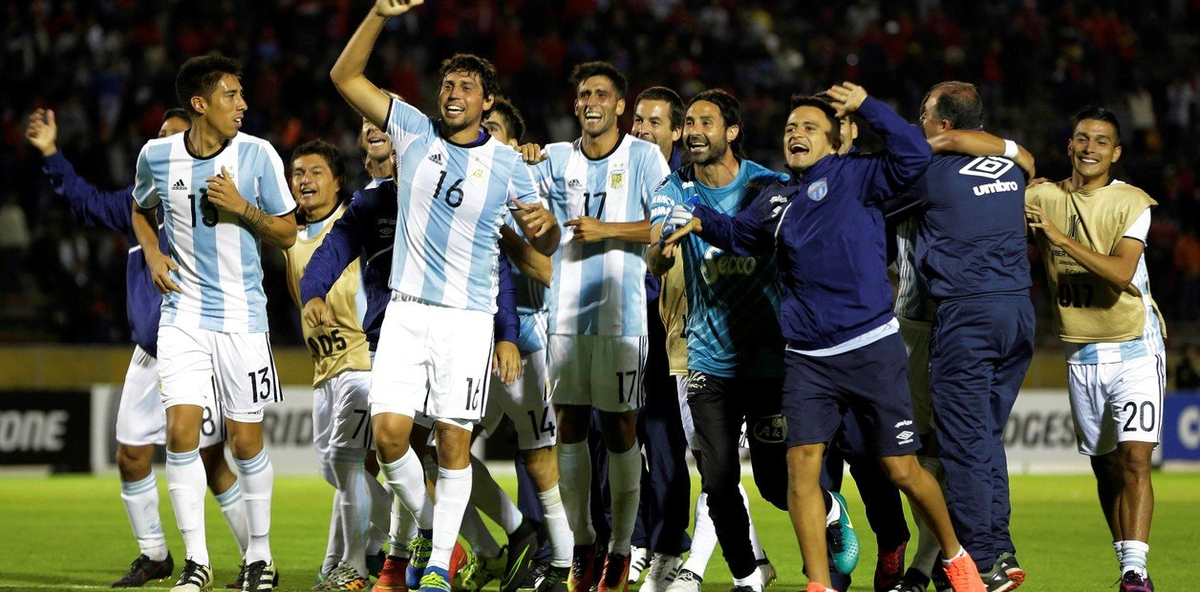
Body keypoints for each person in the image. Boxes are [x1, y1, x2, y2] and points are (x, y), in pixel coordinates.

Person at [661, 83, 985, 592]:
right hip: (808, 360)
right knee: (800, 470)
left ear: (836, 141)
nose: (796, 134)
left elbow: (916, 152)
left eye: (810, 127)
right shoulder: (777, 198)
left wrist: (868, 105)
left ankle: (956, 556)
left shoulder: (862, 177)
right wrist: (700, 223)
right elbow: (740, 235)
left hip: (870, 348)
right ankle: (819, 584)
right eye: (791, 128)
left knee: (900, 469)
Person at [329, 3, 559, 591]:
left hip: (465, 319)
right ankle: (451, 544)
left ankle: (435, 568)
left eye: (467, 86)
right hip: (405, 311)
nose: (454, 91)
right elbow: (345, 77)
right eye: (448, 83)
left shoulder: (507, 165)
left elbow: (546, 244)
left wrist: (544, 228)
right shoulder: (411, 131)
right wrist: (379, 14)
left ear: (487, 102)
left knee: (454, 441)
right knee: (389, 438)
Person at [26, 106, 251, 589]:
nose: (166, 147)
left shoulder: (211, 198)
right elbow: (84, 201)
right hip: (150, 354)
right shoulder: (138, 205)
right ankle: (154, 554)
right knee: (130, 455)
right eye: (160, 139)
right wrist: (50, 152)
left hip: (197, 348)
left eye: (177, 137)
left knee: (212, 463)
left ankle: (255, 561)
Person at [131, 54, 297, 592]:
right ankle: (197, 563)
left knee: (246, 443)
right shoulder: (157, 156)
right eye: (231, 95)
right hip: (182, 315)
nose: (243, 105)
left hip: (243, 318)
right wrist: (153, 253)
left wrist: (241, 208)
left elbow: (288, 233)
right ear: (200, 104)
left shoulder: (258, 154)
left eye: (242, 95)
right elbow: (138, 207)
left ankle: (260, 558)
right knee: (180, 434)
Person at [523, 60, 669, 592]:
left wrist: (605, 230)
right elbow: (520, 193)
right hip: (563, 315)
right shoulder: (556, 159)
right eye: (583, 93)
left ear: (619, 106)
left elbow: (668, 221)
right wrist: (523, 155)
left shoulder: (644, 157)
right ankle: (583, 543)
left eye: (601, 94)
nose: (590, 102)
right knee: (569, 427)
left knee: (622, 429)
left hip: (622, 315)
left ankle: (621, 548)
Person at [890, 81, 1037, 591]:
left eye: (925, 115)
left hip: (966, 316)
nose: (919, 121)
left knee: (962, 444)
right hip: (1018, 312)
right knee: (984, 440)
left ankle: (986, 558)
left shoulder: (929, 172)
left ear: (944, 125)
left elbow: (872, 193)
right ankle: (1001, 547)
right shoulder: (1014, 167)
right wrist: (1010, 147)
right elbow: (1022, 157)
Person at [646, 89, 791, 592]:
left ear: (731, 132)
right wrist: (660, 254)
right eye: (688, 122)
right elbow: (659, 241)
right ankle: (747, 576)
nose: (693, 130)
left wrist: (705, 225)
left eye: (706, 121)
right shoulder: (675, 187)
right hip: (708, 360)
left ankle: (830, 513)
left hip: (768, 360)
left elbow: (759, 238)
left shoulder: (769, 186)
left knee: (774, 483)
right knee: (718, 481)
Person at [1025, 106, 1167, 592]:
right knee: (1106, 466)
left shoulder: (1133, 203)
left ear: (1116, 152)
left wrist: (1058, 237)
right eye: (1082, 138)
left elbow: (1122, 271)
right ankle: (1124, 557)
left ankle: (1136, 570)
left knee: (1134, 460)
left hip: (1135, 346)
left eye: (1102, 141)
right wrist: (1022, 170)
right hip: (1080, 351)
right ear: (1069, 145)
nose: (1090, 148)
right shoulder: (1042, 196)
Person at [282, 139, 380, 590]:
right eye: (298, 171)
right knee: (335, 471)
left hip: (361, 363)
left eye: (316, 171)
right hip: (324, 371)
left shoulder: (354, 225)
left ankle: (354, 565)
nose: (305, 179)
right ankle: (381, 542)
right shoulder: (292, 242)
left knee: (346, 464)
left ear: (339, 181)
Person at [624, 85, 693, 592]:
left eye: (654, 122)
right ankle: (635, 542)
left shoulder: (693, 189)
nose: (642, 130)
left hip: (668, 328)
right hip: (616, 325)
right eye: (638, 121)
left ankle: (671, 547)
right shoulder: (614, 179)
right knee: (619, 442)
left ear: (676, 133)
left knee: (666, 442)